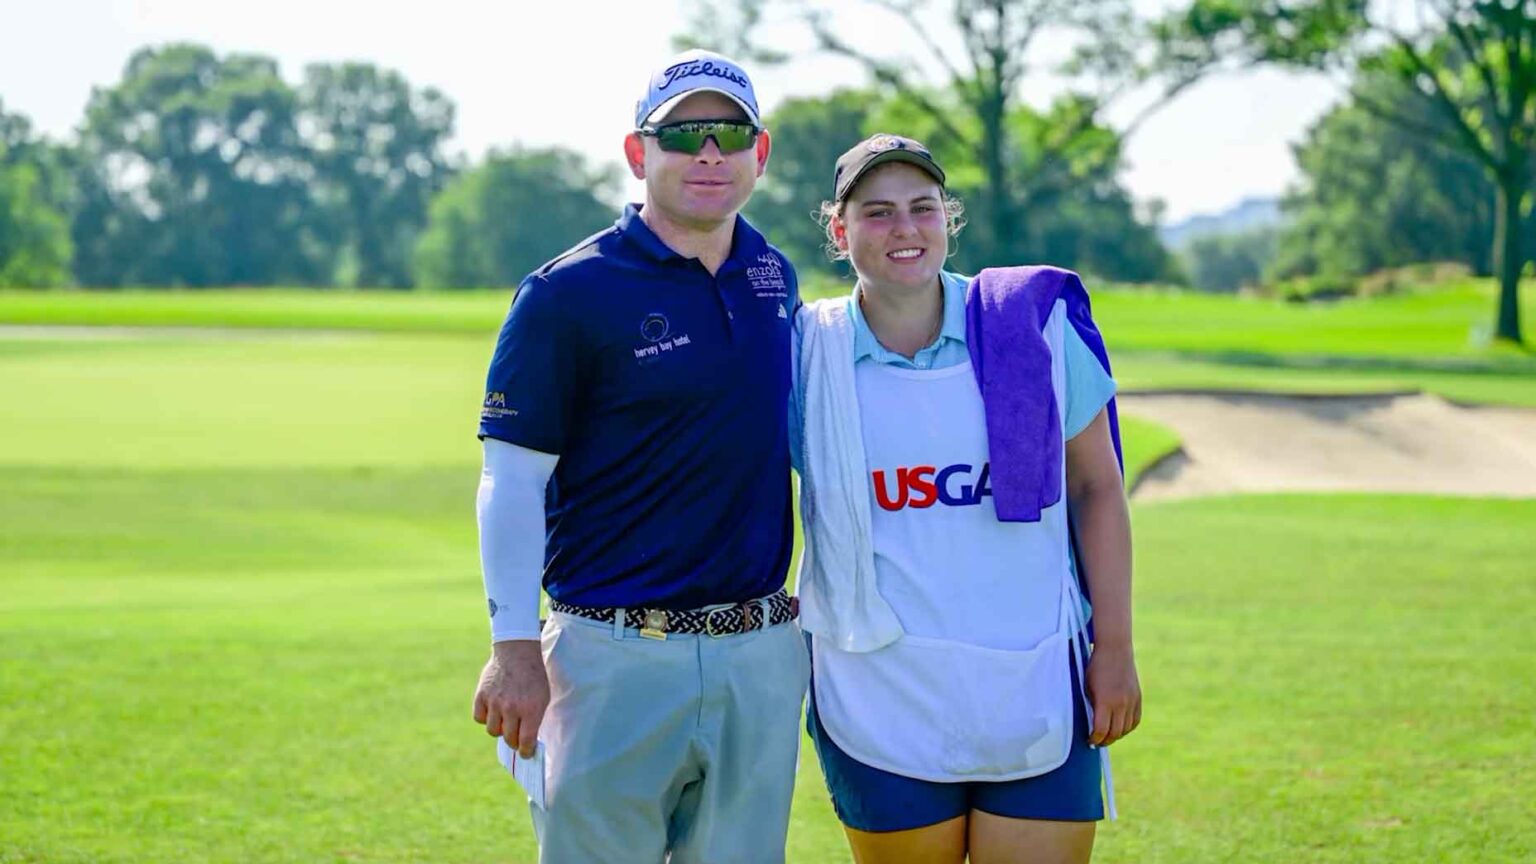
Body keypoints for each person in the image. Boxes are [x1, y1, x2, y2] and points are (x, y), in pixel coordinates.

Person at [470, 49, 808, 864]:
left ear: (760, 154)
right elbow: (511, 479)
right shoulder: (565, 293)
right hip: (610, 658)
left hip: (758, 655)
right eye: (683, 135)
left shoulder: (773, 275)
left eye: (730, 134)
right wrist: (513, 647)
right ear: (637, 153)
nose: (709, 154)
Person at [791, 134, 1142, 864]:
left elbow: (1096, 488)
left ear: (948, 219)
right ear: (839, 231)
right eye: (878, 212)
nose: (906, 228)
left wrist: (1115, 648)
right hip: (875, 689)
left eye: (923, 208)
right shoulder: (805, 355)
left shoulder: (1031, 326)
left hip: (1034, 675)